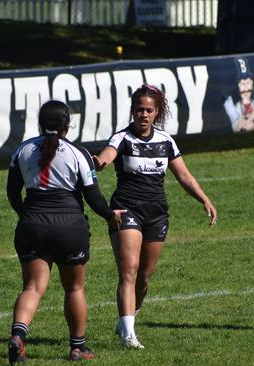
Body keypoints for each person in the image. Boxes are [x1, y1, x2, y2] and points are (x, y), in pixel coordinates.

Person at [93, 84, 218, 349]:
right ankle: (129, 336)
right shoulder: (122, 138)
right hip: (126, 210)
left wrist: (204, 199)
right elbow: (106, 157)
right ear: (133, 111)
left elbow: (183, 176)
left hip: (157, 214)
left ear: (157, 112)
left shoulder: (165, 141)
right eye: (139, 109)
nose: (144, 115)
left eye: (149, 110)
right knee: (129, 270)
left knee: (144, 278)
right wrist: (98, 162)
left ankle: (126, 322)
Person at [6, 100, 124, 363]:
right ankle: (77, 348)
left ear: (40, 124)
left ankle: (18, 336)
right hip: (69, 227)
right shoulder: (77, 153)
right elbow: (93, 197)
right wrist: (109, 216)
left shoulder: (23, 150)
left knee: (33, 287)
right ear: (66, 127)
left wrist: (24, 214)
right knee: (74, 288)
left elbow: (12, 192)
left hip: (32, 224)